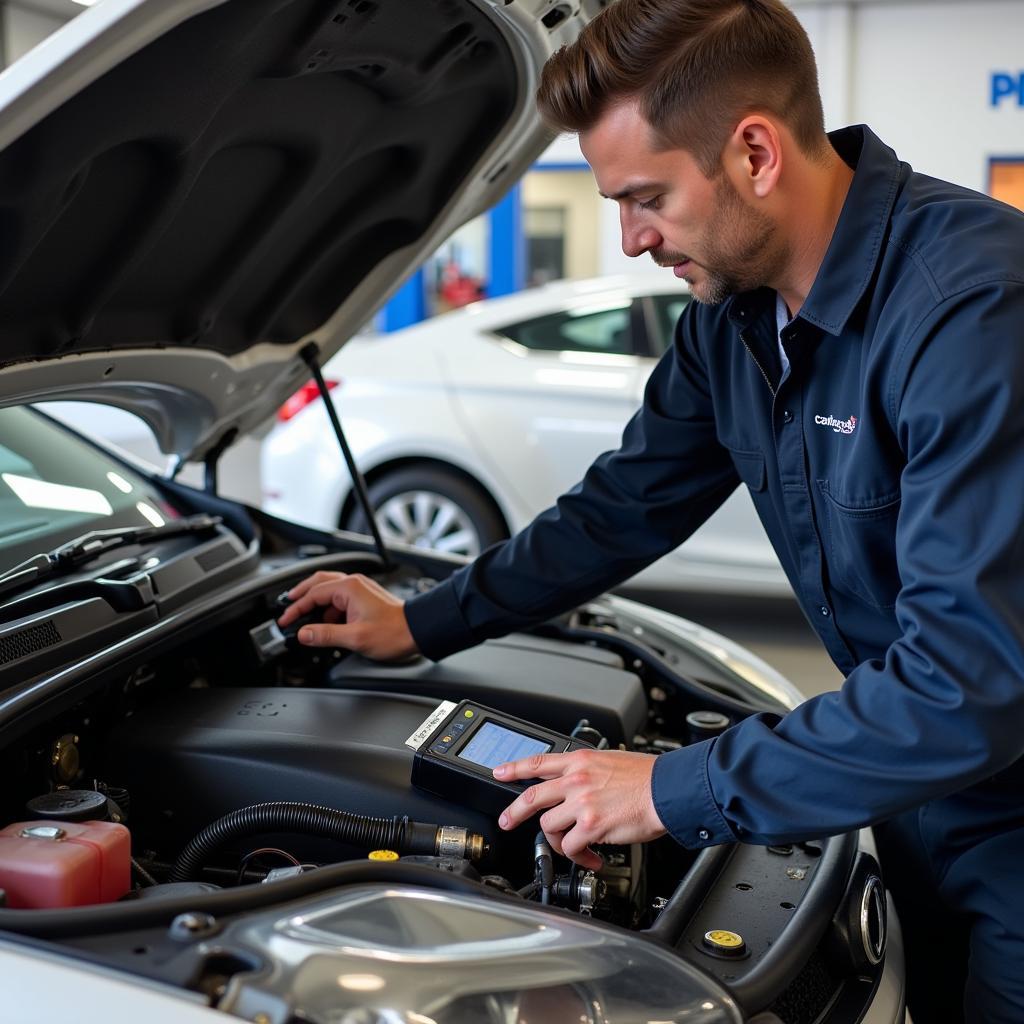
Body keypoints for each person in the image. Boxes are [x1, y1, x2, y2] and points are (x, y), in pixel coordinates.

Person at [277, 1, 1024, 1020]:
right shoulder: (732, 318)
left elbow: (966, 687)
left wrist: (666, 789)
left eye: (646, 199)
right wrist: (419, 620)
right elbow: (621, 507)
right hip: (903, 788)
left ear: (754, 151)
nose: (630, 240)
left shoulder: (972, 308)